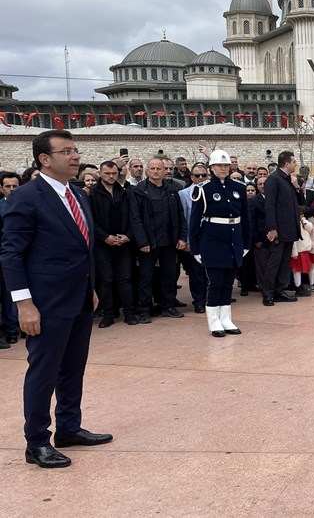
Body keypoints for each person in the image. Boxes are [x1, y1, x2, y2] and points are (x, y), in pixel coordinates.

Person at [1, 130, 113, 468]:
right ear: (44, 159)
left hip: (78, 298)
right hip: (45, 303)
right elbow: (11, 254)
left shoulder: (78, 195)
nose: (76, 156)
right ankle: (36, 441)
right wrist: (24, 304)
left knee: (72, 369)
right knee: (44, 372)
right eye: (67, 151)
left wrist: (90, 287)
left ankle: (68, 428)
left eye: (76, 150)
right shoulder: (26, 197)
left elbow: (83, 247)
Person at [189, 150, 252, 337]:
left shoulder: (239, 188)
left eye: (225, 165)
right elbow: (194, 221)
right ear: (212, 167)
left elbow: (245, 219)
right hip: (213, 242)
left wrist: (246, 243)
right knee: (215, 283)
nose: (223, 168)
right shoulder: (203, 189)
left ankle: (226, 318)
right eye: (219, 165)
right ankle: (214, 320)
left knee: (228, 283)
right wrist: (195, 247)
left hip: (234, 241)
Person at [129, 157, 187, 322]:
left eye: (159, 169)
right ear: (148, 171)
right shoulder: (139, 191)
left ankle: (167, 306)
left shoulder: (172, 191)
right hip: (148, 243)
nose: (156, 171)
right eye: (152, 168)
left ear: (165, 171)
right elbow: (135, 219)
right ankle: (144, 309)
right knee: (146, 277)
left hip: (169, 242)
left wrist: (182, 238)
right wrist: (142, 242)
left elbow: (180, 216)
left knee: (169, 276)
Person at [89, 161, 136, 327]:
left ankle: (129, 313)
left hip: (123, 243)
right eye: (107, 173)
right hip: (102, 244)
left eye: (114, 173)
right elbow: (90, 221)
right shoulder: (92, 194)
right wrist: (105, 237)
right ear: (100, 174)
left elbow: (133, 217)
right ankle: (108, 314)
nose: (111, 176)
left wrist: (128, 236)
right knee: (105, 281)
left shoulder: (125, 193)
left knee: (125, 279)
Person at [261, 151, 301, 306]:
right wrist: (272, 228)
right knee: (274, 263)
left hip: (290, 229)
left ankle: (279, 290)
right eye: (294, 161)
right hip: (279, 229)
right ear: (287, 163)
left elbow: (298, 202)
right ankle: (268, 293)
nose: (295, 164)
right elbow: (269, 205)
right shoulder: (274, 179)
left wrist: (297, 187)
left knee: (284, 263)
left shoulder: (288, 180)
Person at [178, 163, 210, 315]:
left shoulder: (212, 191)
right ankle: (199, 301)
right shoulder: (184, 194)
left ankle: (212, 299)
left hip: (212, 240)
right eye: (197, 175)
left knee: (211, 272)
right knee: (197, 273)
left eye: (204, 175)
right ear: (191, 177)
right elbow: (184, 218)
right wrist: (187, 240)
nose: (201, 178)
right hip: (194, 240)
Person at [0, 171, 21, 344]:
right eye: (8, 186)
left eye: (15, 186)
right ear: (1, 188)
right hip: (5, 256)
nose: (12, 189)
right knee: (8, 294)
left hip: (26, 256)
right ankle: (10, 329)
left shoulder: (27, 204)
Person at [288, 206, 314, 297]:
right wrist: (294, 252)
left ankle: (300, 286)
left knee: (302, 270)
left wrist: (303, 220)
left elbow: (310, 228)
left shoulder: (303, 222)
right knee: (297, 271)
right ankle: (298, 288)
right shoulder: (292, 224)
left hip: (304, 250)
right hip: (297, 251)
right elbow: (294, 240)